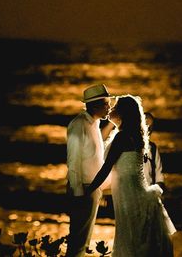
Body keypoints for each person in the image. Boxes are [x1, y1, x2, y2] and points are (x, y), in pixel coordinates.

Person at [86, 95, 176, 257]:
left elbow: (107, 168)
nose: (110, 110)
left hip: (130, 195)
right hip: (133, 192)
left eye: (114, 108)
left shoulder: (122, 137)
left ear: (122, 114)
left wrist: (89, 189)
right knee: (134, 239)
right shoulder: (134, 135)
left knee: (130, 239)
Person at [65, 84, 117, 257]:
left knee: (83, 239)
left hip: (92, 188)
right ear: (95, 105)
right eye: (106, 104)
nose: (109, 107)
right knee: (79, 239)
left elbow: (95, 156)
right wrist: (79, 193)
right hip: (84, 189)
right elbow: (73, 161)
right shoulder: (78, 125)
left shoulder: (94, 124)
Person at [143, 112, 166, 191]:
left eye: (150, 127)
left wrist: (156, 191)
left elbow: (159, 175)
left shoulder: (152, 148)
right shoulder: (128, 146)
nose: (148, 130)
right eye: (145, 126)